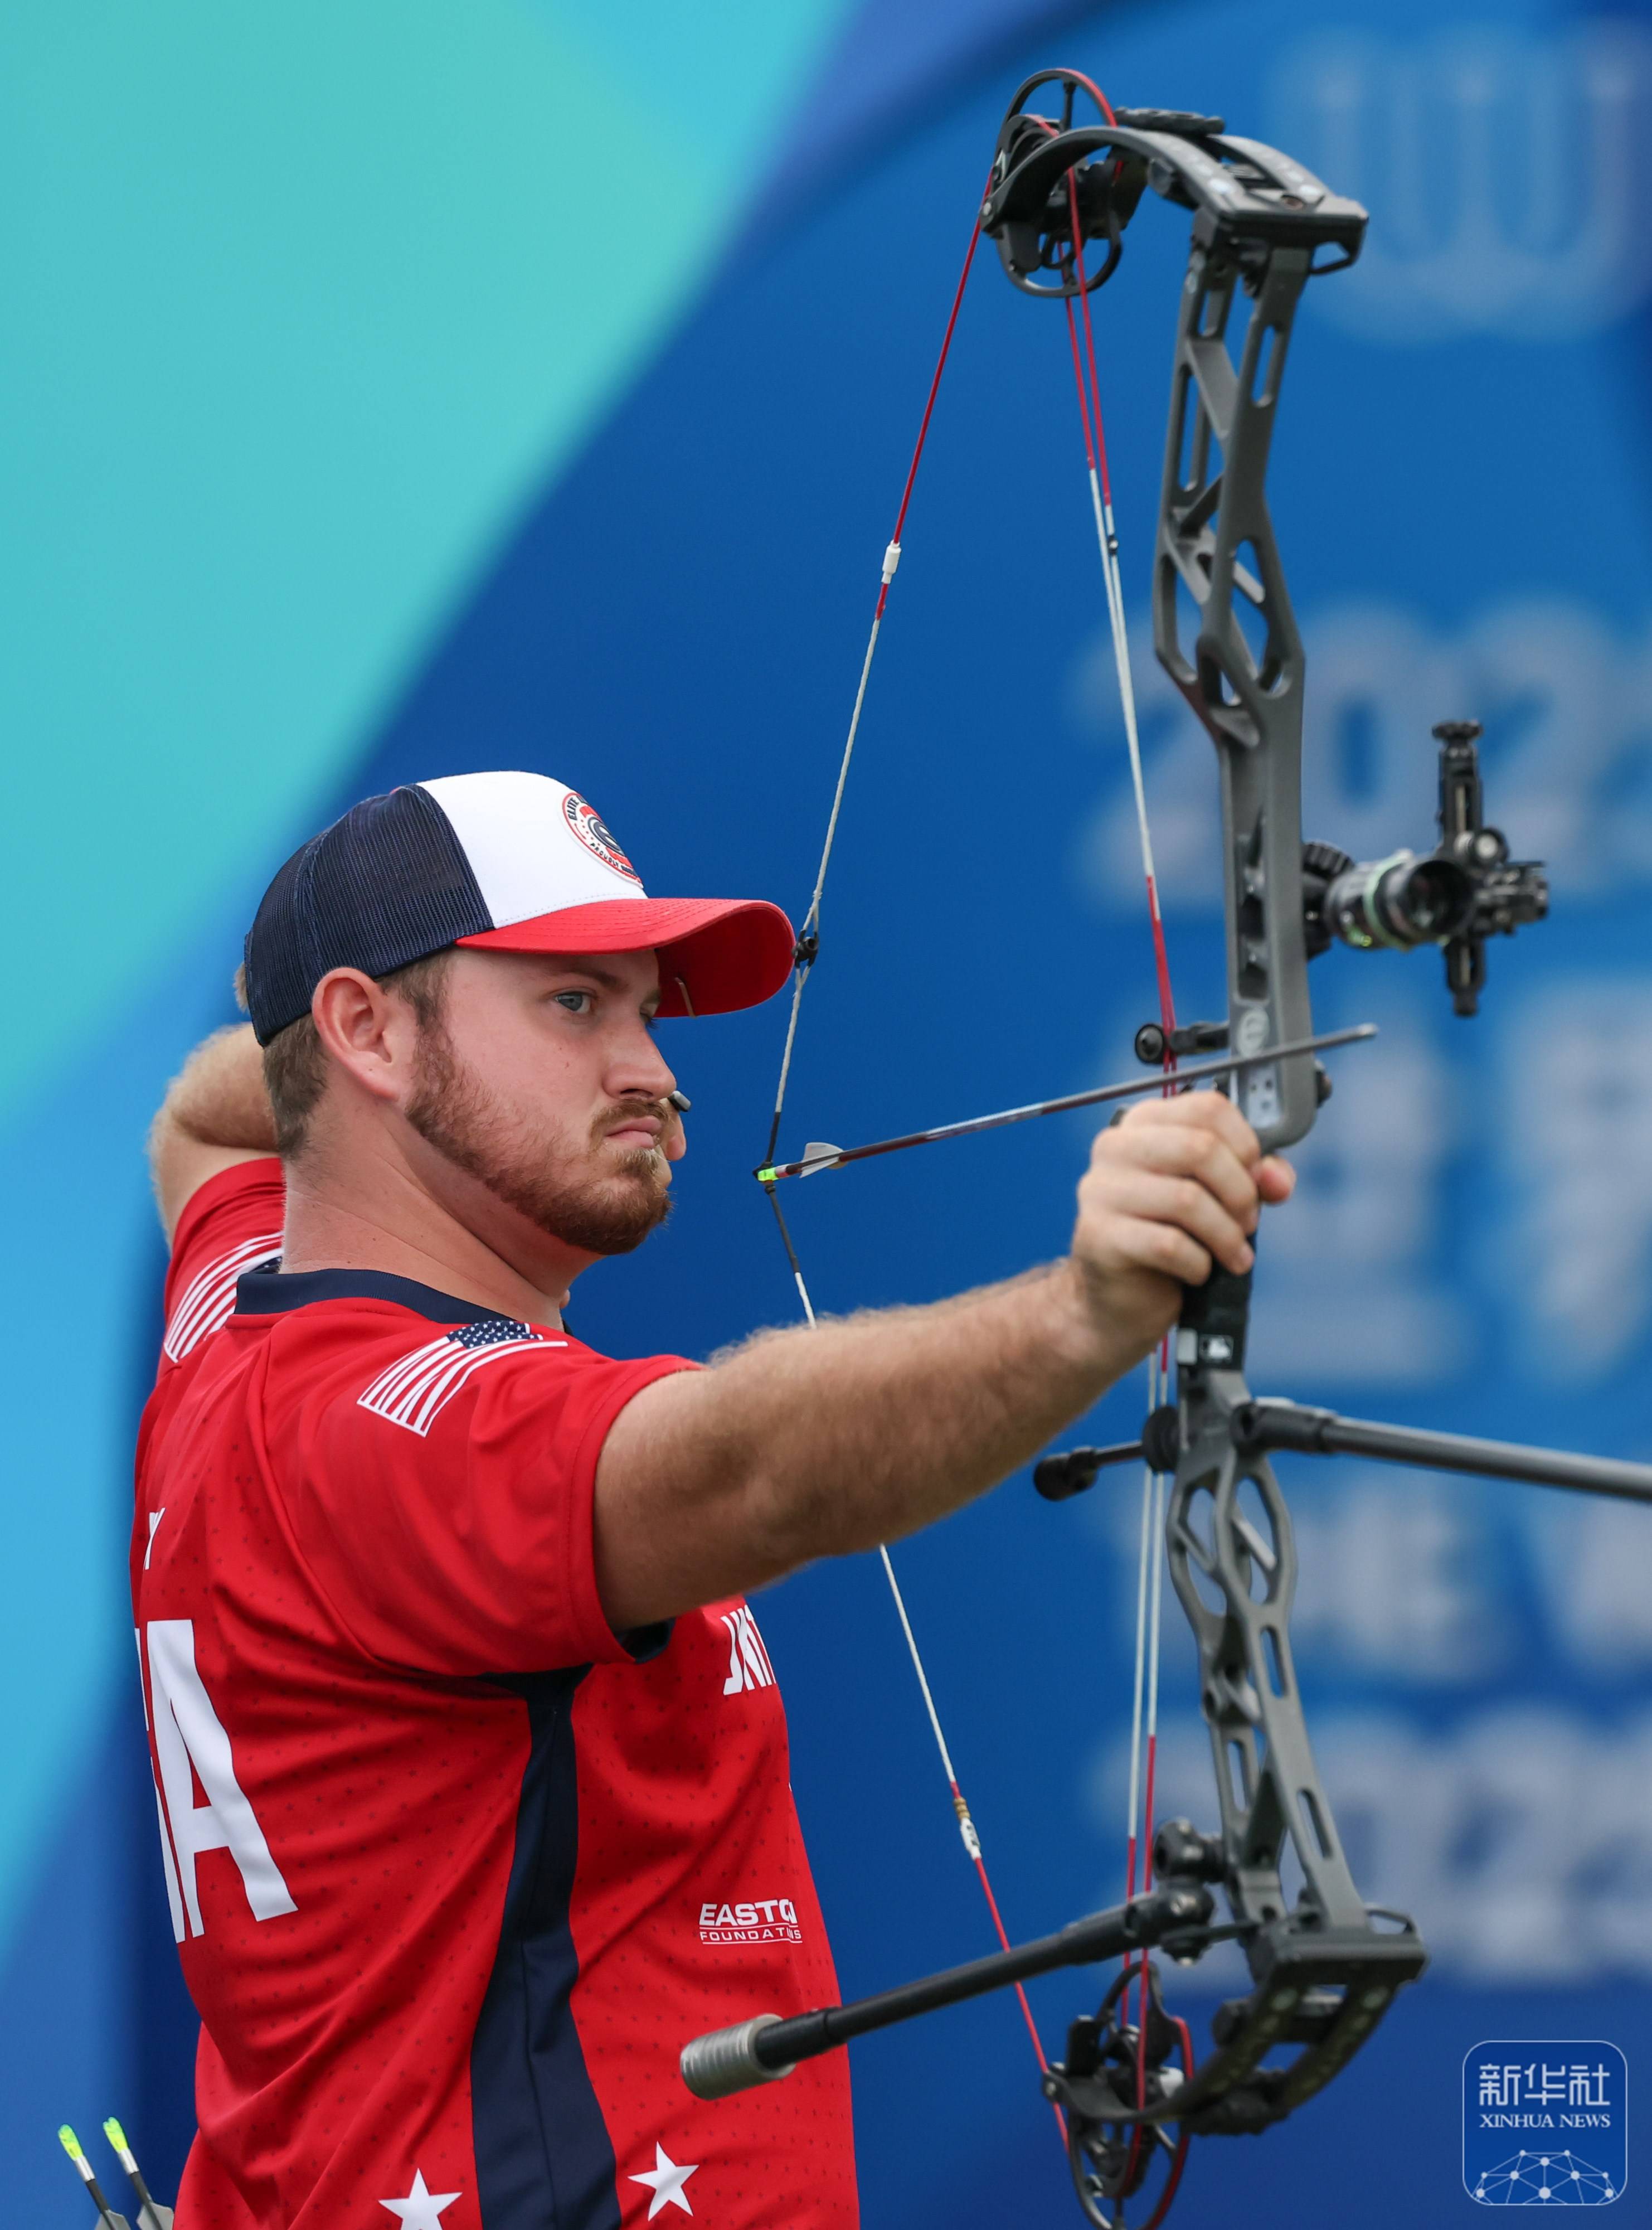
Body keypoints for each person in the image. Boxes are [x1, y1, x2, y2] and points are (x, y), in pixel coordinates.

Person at [137, 769, 1294, 2230]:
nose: (655, 1075)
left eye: (643, 1010)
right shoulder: (406, 1433)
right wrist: (1079, 1317)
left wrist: (359, 1066)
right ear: (368, 1028)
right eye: (573, 1006)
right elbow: (741, 1459)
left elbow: (205, 1114)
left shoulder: (235, 1300)